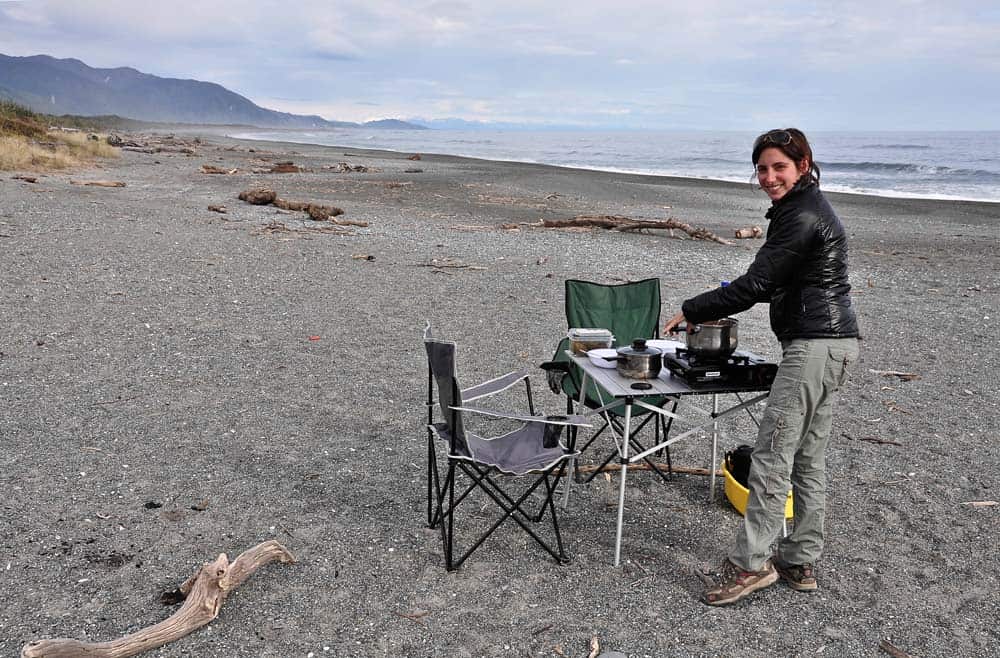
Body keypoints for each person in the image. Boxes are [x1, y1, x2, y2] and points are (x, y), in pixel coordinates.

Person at [663, 128, 860, 606]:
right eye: (763, 168)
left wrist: (694, 309)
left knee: (772, 456)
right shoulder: (802, 209)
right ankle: (799, 557)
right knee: (808, 457)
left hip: (814, 346)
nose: (769, 177)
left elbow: (755, 284)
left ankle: (751, 565)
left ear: (804, 164)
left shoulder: (802, 215)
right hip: (835, 344)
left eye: (780, 167)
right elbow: (772, 281)